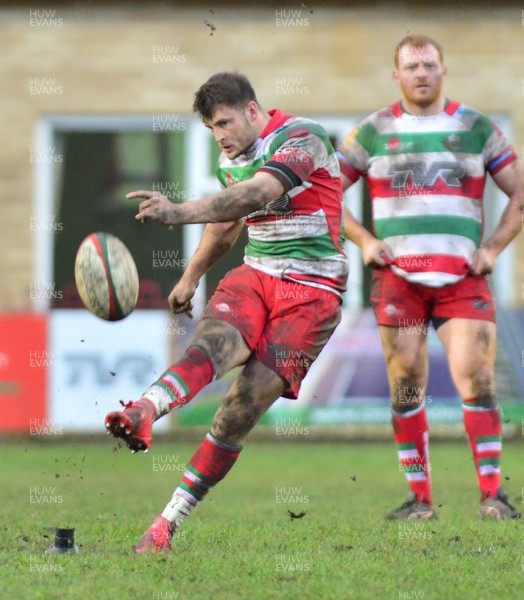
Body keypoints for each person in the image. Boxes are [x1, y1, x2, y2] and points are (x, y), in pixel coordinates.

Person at [105, 72, 349, 551]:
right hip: (256, 276)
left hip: (313, 293)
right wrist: (191, 275)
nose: (219, 136)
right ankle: (143, 410)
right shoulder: (230, 160)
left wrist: (176, 212)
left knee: (240, 409)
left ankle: (166, 523)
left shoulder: (304, 138)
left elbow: (257, 195)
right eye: (211, 128)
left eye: (224, 122)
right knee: (212, 347)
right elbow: (227, 223)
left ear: (253, 111)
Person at [337, 35, 523, 520]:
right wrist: (363, 241)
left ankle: (492, 496)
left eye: (429, 65)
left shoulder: (477, 128)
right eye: (411, 66)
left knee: (478, 379)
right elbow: (323, 192)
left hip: (463, 277)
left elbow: (519, 191)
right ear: (395, 75)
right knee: (406, 384)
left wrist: (494, 248)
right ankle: (420, 500)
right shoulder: (372, 131)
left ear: (444, 70)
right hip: (398, 279)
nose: (421, 73)